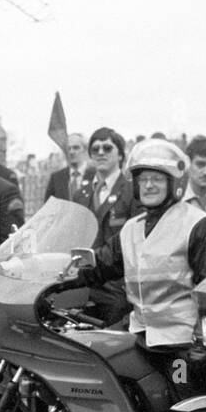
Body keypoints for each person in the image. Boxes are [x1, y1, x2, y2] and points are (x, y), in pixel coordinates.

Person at [73, 139, 206, 395]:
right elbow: (100, 264)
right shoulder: (132, 228)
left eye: (157, 178)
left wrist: (201, 344)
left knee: (184, 397)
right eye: (143, 178)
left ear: (175, 183)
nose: (148, 185)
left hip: (181, 346)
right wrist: (54, 276)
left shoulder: (199, 226)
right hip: (140, 333)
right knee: (96, 362)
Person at [77, 126, 137, 324]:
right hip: (84, 284)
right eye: (95, 149)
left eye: (107, 148)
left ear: (120, 154)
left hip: (117, 288)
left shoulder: (131, 191)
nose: (100, 152)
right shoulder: (81, 194)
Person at [45, 133, 95, 203]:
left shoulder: (96, 175)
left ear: (85, 150)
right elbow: (47, 208)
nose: (71, 152)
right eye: (68, 148)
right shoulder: (56, 178)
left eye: (76, 148)